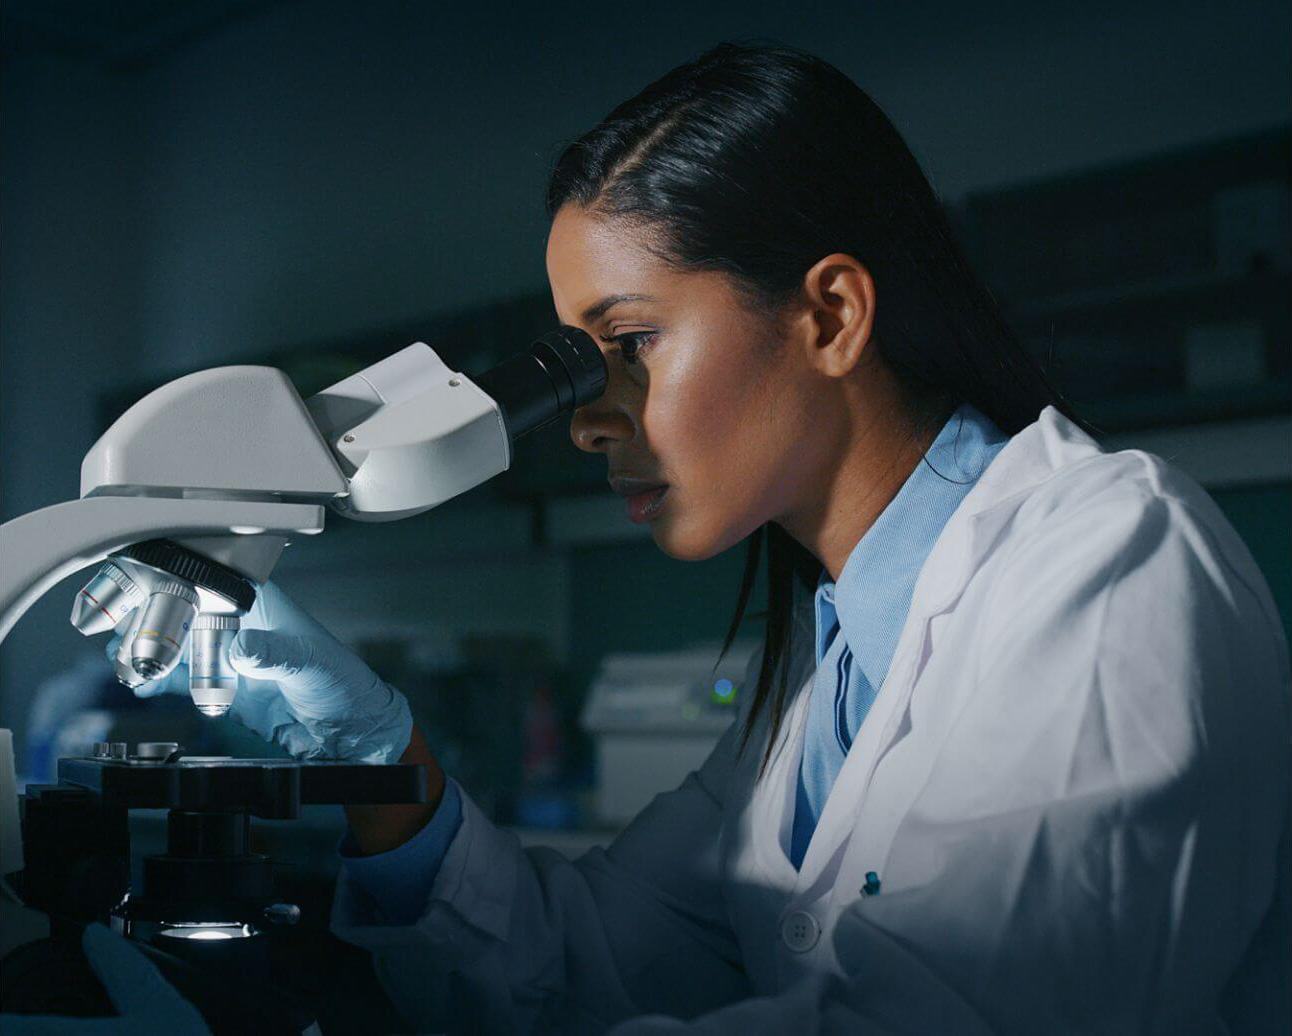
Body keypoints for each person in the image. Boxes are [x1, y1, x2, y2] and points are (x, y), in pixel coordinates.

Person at [99, 42, 1292, 1033]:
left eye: (628, 342)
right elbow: (580, 967)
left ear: (828, 315)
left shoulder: (1106, 563)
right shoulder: (818, 692)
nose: (587, 418)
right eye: (575, 359)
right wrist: (379, 752)